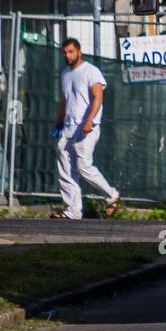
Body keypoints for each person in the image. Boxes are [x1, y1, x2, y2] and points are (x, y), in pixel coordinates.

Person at [53, 38, 121, 219]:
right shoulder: (65, 74)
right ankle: (72, 211)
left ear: (79, 51)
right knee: (66, 170)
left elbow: (98, 97)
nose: (68, 55)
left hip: (86, 127)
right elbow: (65, 100)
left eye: (71, 51)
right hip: (67, 127)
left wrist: (89, 121)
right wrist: (58, 123)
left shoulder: (91, 71)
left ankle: (111, 194)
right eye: (65, 52)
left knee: (83, 167)